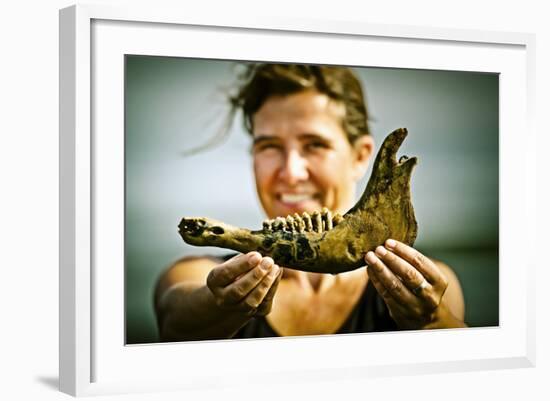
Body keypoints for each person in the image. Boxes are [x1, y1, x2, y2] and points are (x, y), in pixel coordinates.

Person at [153, 63, 466, 341]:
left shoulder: (428, 286)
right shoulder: (193, 273)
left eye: (314, 144)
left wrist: (435, 323)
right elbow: (177, 322)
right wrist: (216, 304)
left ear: (359, 157)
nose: (291, 173)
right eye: (270, 146)